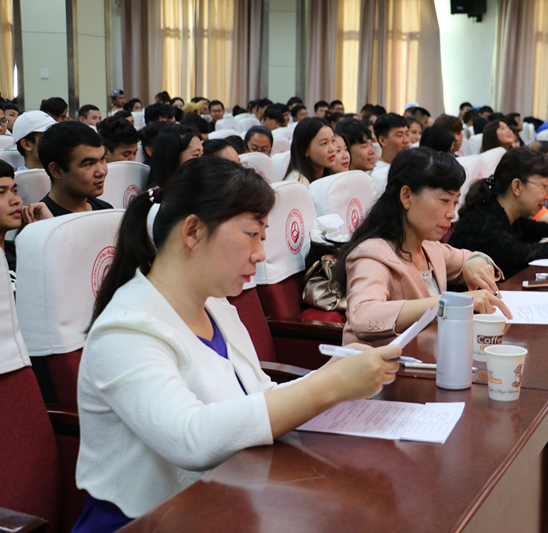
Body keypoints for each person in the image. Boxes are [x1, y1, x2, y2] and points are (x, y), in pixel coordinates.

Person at [73, 157, 399, 531]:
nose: (260, 253)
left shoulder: (215, 305)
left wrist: (335, 372)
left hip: (221, 500)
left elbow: (258, 394)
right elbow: (190, 438)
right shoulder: (126, 329)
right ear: (193, 231)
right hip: (145, 521)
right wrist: (331, 385)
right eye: (252, 234)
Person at [332, 147, 512, 345]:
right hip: (380, 362)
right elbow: (363, 316)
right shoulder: (372, 254)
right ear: (406, 196)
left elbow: (472, 257)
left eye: (455, 202)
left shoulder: (429, 247)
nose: (452, 213)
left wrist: (476, 261)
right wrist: (449, 302)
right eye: (444, 200)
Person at [449, 148, 548, 279]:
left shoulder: (514, 220)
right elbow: (516, 255)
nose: (547, 196)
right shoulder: (481, 221)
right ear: (517, 186)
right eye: (544, 187)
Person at [37, 121, 113, 216]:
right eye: (89, 164)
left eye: (102, 159)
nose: (102, 171)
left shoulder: (106, 210)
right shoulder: (42, 220)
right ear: (56, 171)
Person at [0, 160, 53, 273]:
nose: (16, 200)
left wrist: (47, 228)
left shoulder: (22, 253)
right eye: (1, 192)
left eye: (14, 191)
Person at [284, 117, 335, 186]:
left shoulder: (329, 174)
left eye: (333, 140)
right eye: (324, 143)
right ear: (304, 150)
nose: (332, 149)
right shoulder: (297, 183)